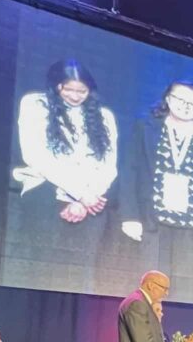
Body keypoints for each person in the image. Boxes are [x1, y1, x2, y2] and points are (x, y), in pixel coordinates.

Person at [118, 81, 193, 248]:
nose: (186, 106)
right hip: (148, 224)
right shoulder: (145, 128)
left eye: (192, 104)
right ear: (168, 99)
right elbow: (128, 173)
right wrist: (130, 216)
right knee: (149, 275)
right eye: (180, 100)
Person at [13, 60, 118, 223]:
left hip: (92, 201)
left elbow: (109, 165)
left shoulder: (104, 116)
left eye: (82, 91)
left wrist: (88, 198)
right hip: (46, 190)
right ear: (56, 85)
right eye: (68, 89)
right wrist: (80, 194)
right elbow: (36, 155)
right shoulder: (35, 104)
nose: (75, 96)